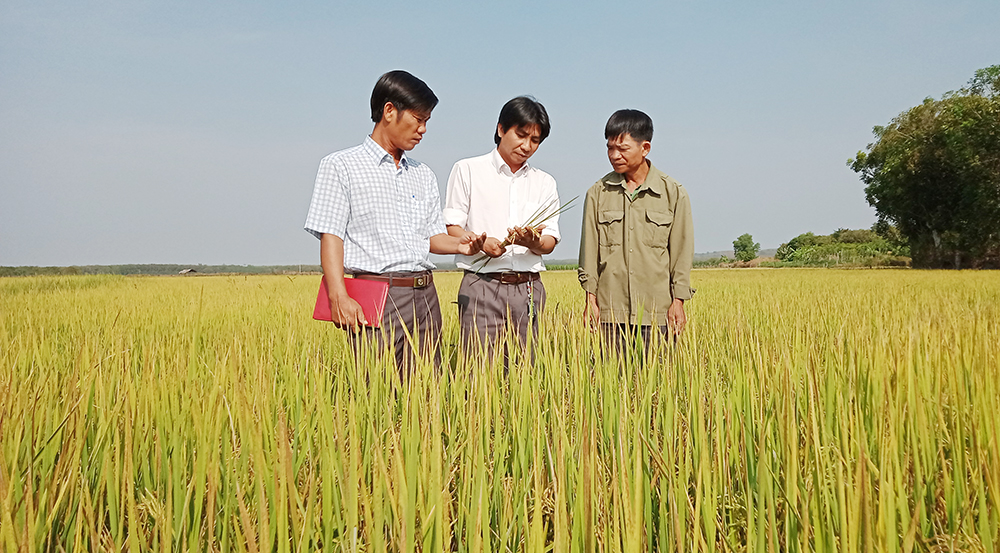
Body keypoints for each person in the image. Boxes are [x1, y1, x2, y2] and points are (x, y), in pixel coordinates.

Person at [304, 70, 486, 372]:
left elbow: (431, 238)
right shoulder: (341, 166)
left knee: (429, 390)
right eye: (418, 119)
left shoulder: (423, 174)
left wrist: (463, 244)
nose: (423, 129)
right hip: (376, 295)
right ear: (389, 111)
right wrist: (338, 295)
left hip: (425, 294)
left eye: (427, 121)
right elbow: (331, 236)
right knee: (377, 392)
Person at [443, 96, 561, 361]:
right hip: (481, 283)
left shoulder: (544, 182)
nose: (527, 146)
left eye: (535, 140)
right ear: (500, 129)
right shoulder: (467, 170)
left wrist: (532, 241)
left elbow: (550, 241)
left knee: (526, 373)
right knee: (477, 374)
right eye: (521, 135)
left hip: (528, 288)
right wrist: (480, 243)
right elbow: (453, 227)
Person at [578, 109, 694, 351]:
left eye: (622, 148)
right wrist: (590, 299)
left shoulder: (673, 193)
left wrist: (678, 301)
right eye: (610, 148)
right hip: (610, 313)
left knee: (660, 384)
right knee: (610, 384)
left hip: (657, 313)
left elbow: (681, 254)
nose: (614, 155)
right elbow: (589, 253)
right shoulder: (597, 193)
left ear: (645, 148)